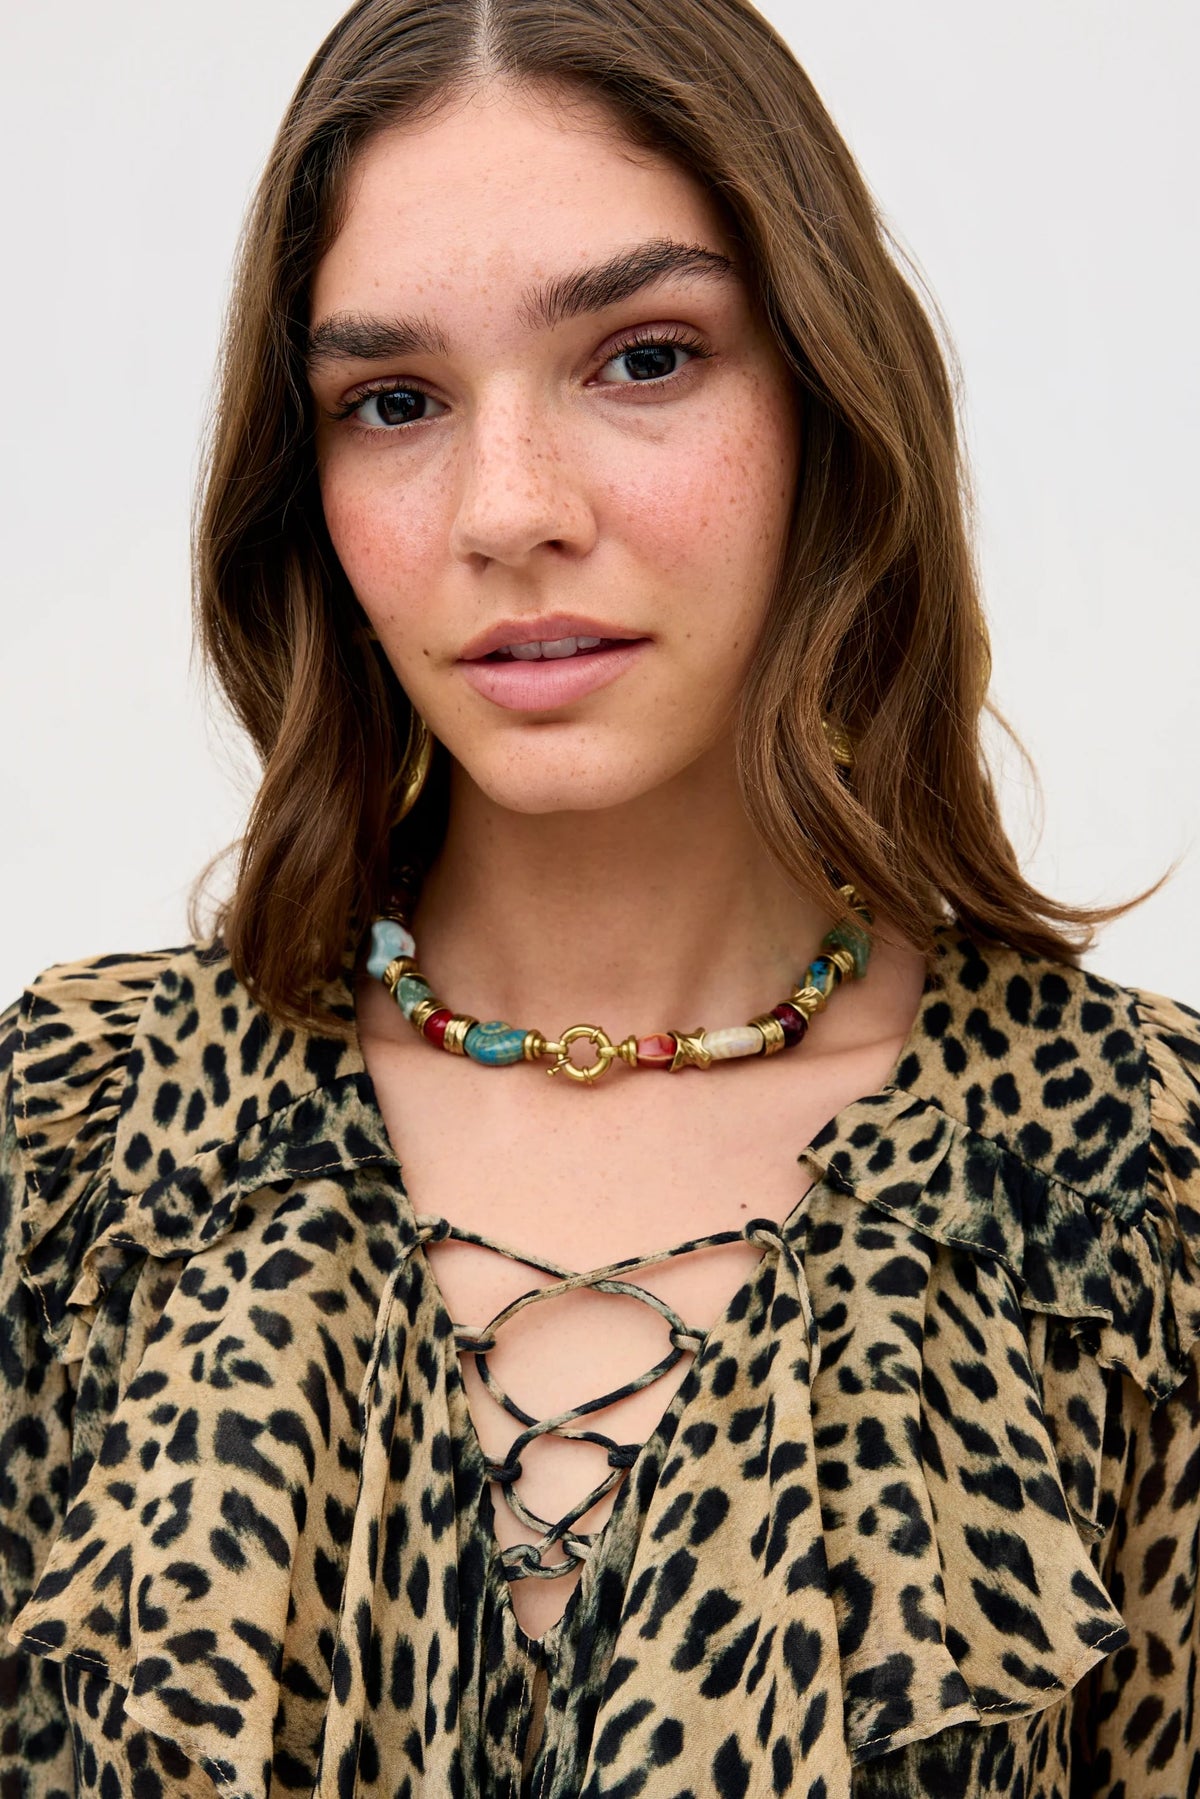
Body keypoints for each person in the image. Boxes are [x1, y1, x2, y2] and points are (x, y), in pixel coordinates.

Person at [1, 0, 1196, 1793]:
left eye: (642, 357)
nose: (509, 510)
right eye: (393, 401)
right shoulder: (74, 1153)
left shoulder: (1139, 1188)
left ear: (823, 397)